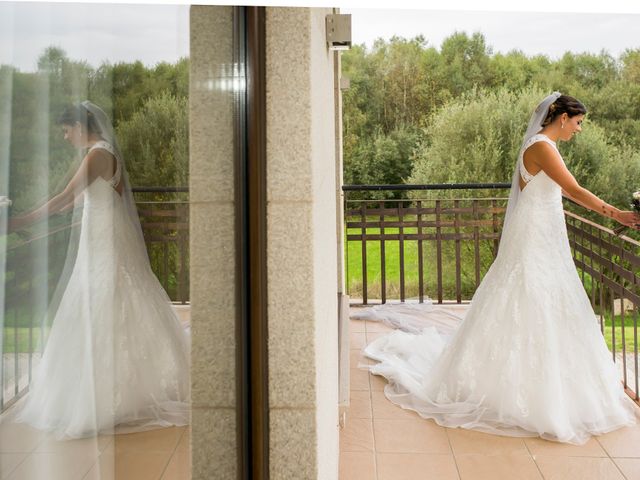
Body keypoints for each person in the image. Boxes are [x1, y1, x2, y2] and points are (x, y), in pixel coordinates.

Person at [358, 92, 640, 445]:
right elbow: (573, 189)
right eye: (578, 122)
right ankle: (530, 394)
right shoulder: (542, 147)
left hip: (545, 235)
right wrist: (619, 215)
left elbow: (560, 192)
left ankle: (543, 386)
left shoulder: (545, 146)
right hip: (535, 237)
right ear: (562, 118)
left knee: (544, 303)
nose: (579, 130)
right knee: (529, 298)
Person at [7, 101, 190, 439]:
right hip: (105, 237)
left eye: (66, 130)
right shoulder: (105, 153)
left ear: (80, 126)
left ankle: (104, 396)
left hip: (104, 241)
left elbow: (65, 197)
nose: (64, 137)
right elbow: (85, 199)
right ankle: (121, 391)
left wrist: (17, 220)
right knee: (118, 301)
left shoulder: (96, 154)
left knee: (103, 302)